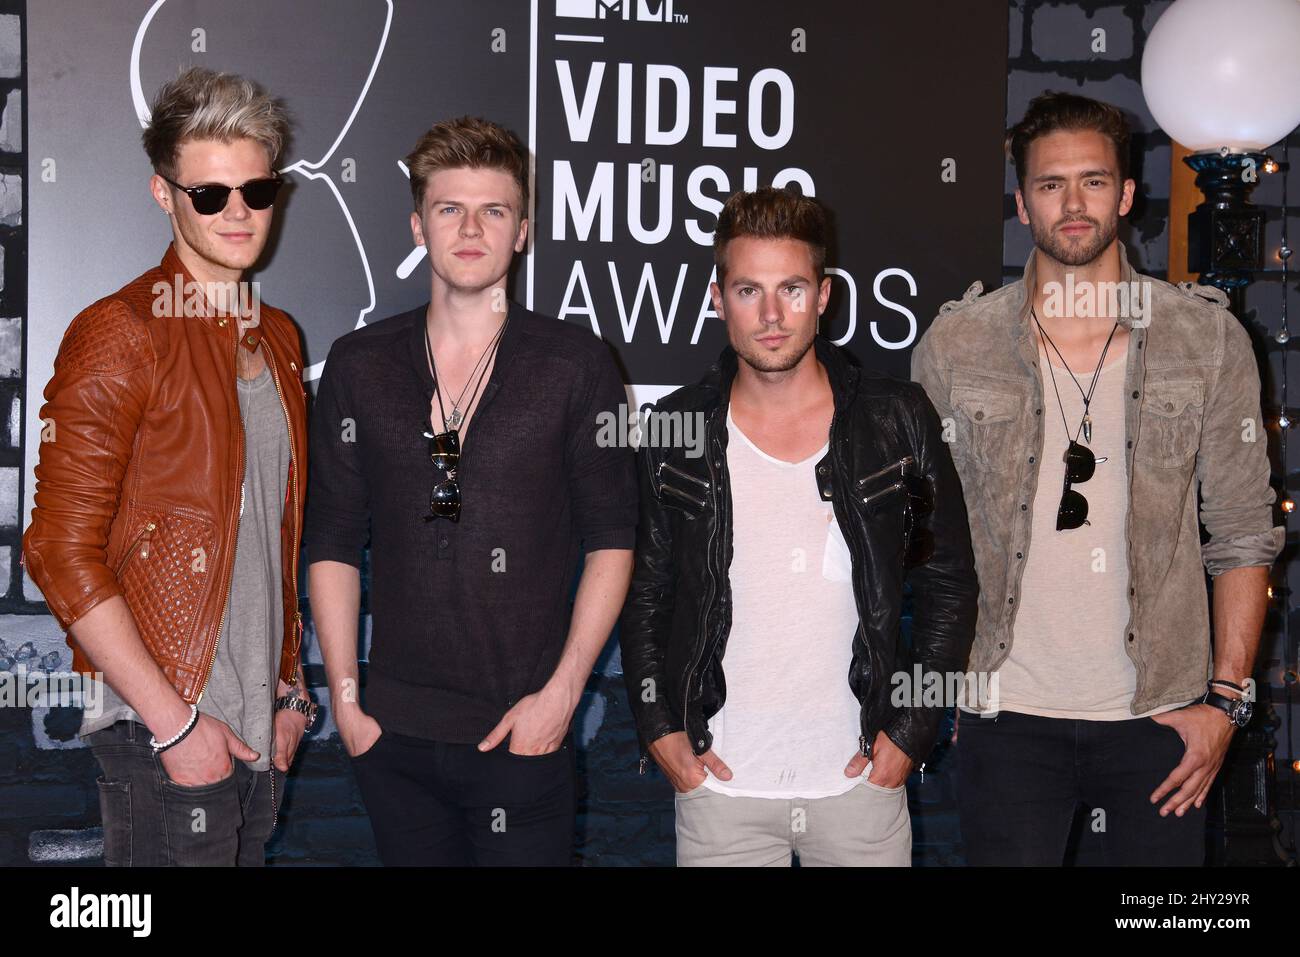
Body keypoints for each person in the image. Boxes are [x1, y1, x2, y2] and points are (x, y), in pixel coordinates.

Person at [911, 91, 1283, 866]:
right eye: (1051, 184)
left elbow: (1243, 531)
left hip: (1162, 719)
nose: (1073, 203)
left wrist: (1225, 702)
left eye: (1093, 181)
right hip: (1006, 716)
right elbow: (929, 537)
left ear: (1125, 194)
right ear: (1022, 203)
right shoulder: (957, 345)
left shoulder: (1206, 339)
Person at [306, 116, 637, 866]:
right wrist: (347, 704)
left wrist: (563, 695)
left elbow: (613, 538)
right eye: (450, 208)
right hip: (391, 740)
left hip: (524, 733)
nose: (470, 229)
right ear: (417, 225)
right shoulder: (359, 363)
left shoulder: (576, 364)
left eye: (494, 210)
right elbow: (332, 540)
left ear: (523, 232)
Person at [620, 186, 978, 866]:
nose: (772, 315)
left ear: (823, 295)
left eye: (791, 288)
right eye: (748, 291)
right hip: (719, 790)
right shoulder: (674, 429)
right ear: (718, 298)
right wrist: (659, 728)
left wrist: (911, 733)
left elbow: (949, 587)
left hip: (861, 788)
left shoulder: (897, 417)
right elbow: (647, 595)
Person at [22, 67, 314, 866]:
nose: (238, 213)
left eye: (257, 191)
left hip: (256, 735)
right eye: (210, 195)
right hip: (163, 734)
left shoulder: (280, 338)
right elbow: (56, 549)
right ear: (164, 194)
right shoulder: (121, 330)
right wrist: (175, 724)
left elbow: (277, 533)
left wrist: (291, 689)